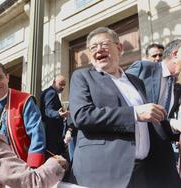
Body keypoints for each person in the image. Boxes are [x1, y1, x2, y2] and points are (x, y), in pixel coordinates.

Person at [69, 26, 177, 188]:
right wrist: (134, 113)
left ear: (119, 48)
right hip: (104, 173)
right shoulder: (82, 76)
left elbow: (148, 120)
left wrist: (173, 127)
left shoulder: (136, 82)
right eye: (93, 47)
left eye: (104, 44)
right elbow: (82, 116)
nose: (99, 49)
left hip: (142, 172)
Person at [126, 39, 181, 185]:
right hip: (140, 152)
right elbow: (119, 97)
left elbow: (164, 119)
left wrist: (175, 127)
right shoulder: (144, 68)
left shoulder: (176, 86)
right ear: (175, 54)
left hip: (163, 152)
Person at [0, 62, 46, 168]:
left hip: (21, 165)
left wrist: (32, 167)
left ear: (7, 77)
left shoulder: (25, 100)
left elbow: (37, 135)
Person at [40, 75, 69, 158]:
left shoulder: (48, 92)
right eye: (60, 84)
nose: (62, 87)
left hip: (50, 132)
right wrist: (58, 114)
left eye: (64, 85)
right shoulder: (51, 93)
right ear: (53, 82)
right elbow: (48, 110)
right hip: (52, 133)